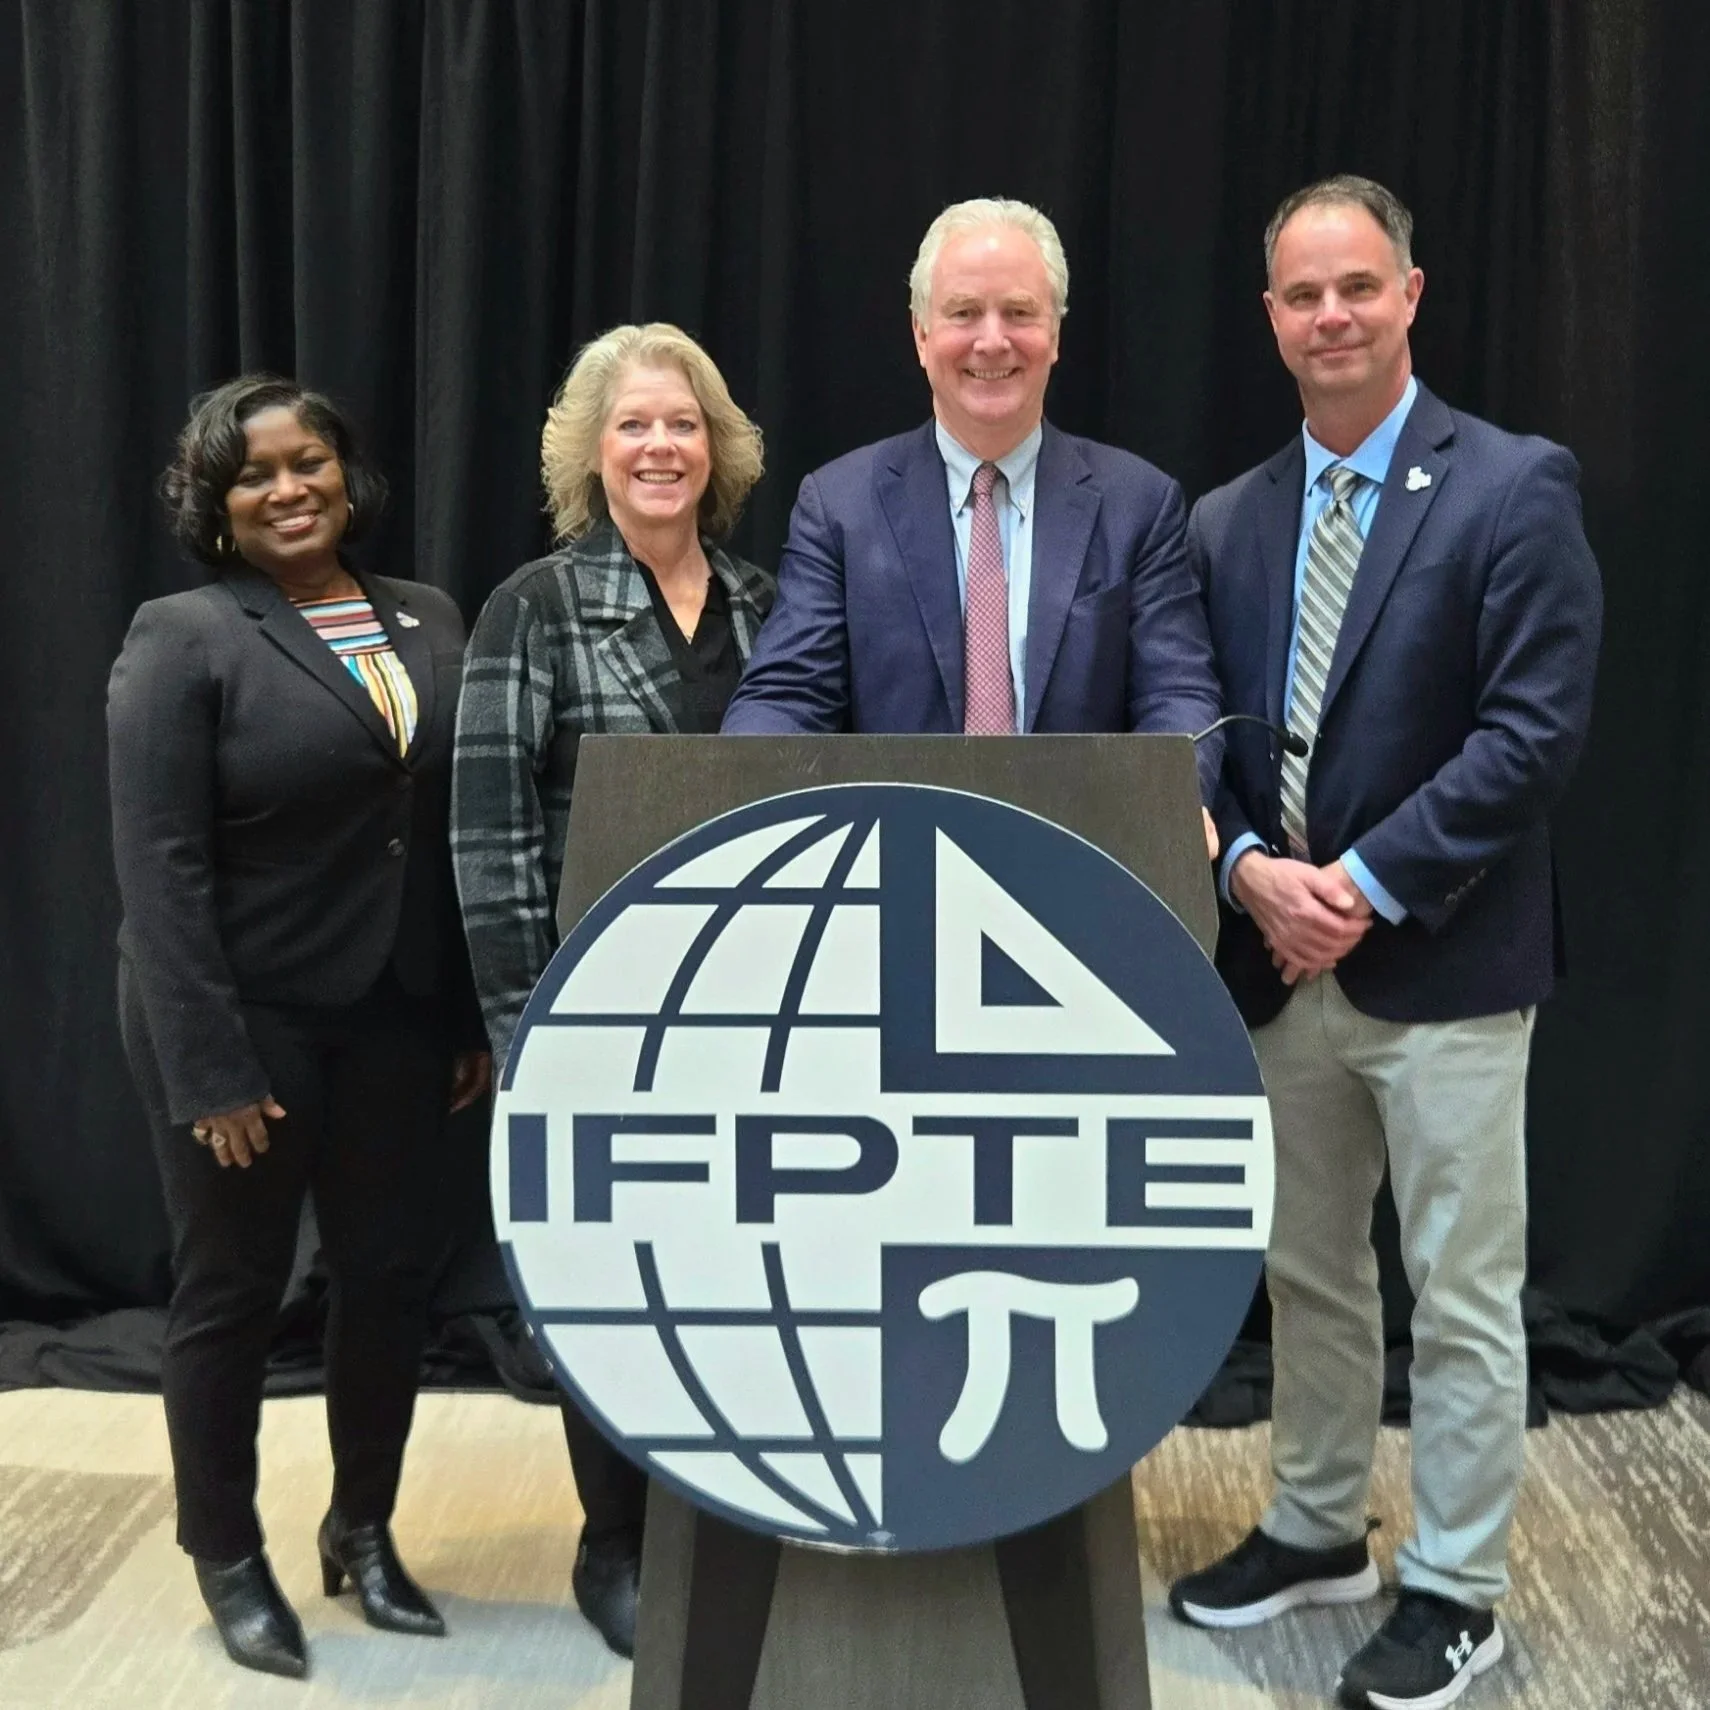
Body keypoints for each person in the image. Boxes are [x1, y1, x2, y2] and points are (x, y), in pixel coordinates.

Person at [1169, 177, 1602, 1710]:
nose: (1331, 315)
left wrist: (1350, 877)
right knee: (1308, 1271)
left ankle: (1456, 1583)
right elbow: (1200, 736)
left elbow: (1530, 732)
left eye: (1358, 286)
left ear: (1409, 295)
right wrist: (1242, 871)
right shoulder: (1223, 519)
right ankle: (1311, 1523)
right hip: (1276, 971)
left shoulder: (1509, 483)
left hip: (1446, 968)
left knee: (1462, 1290)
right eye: (1303, 294)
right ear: (1271, 318)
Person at [108, 376, 492, 1680]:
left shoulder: (423, 616)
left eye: (308, 461)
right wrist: (205, 1063)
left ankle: (362, 1528)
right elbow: (158, 872)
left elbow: (439, 829)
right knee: (232, 1291)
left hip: (395, 1013)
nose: (288, 488)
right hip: (242, 1017)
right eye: (255, 473)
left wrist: (460, 1013)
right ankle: (227, 1553)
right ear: (216, 503)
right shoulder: (185, 635)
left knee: (384, 1279)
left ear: (345, 471)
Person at [451, 322, 773, 1657]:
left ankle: (739, 1511)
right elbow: (488, 833)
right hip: (604, 1019)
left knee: (747, 1275)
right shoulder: (534, 603)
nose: (661, 446)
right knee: (618, 1282)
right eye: (635, 425)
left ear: (719, 450)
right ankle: (617, 1537)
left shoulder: (770, 601)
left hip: (767, 1014)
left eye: (683, 424)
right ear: (593, 452)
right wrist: (534, 1033)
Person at [721, 196, 1223, 846]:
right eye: (963, 313)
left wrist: (1170, 800)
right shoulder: (840, 505)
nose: (992, 339)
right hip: (894, 876)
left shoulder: (1139, 503)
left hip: (1085, 871)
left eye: (1019, 312)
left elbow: (1176, 693)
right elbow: (786, 698)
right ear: (921, 335)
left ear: (1056, 336)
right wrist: (748, 797)